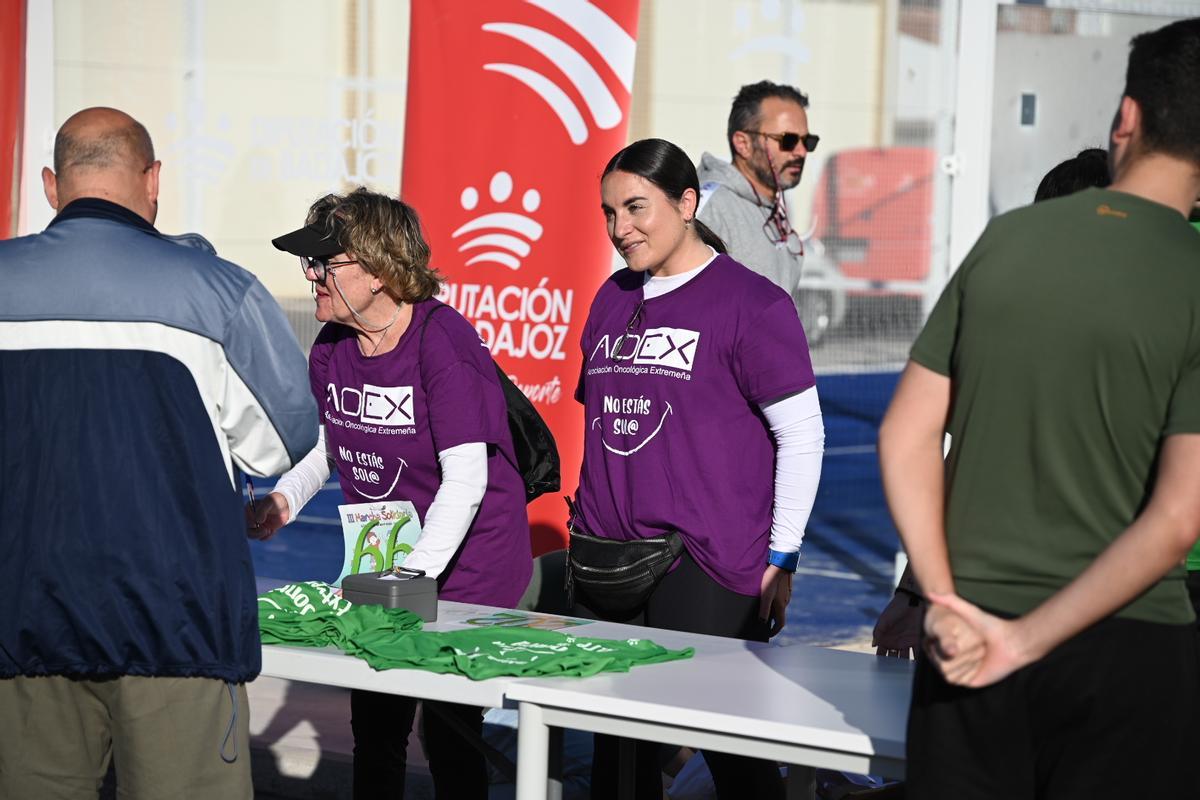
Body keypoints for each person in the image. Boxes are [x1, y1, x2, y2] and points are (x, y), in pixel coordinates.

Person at [878, 18, 1200, 799]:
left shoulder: (1008, 239)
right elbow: (1177, 521)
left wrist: (943, 600)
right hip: (1131, 648)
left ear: (1126, 118)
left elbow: (907, 431)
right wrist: (1026, 641)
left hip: (968, 629)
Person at [0, 107, 317, 799]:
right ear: (154, 180)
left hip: (18, 626)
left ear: (52, 185)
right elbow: (280, 443)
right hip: (176, 629)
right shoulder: (218, 293)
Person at [256, 188, 533, 799]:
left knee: (448, 730)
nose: (310, 275)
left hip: (465, 563)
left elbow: (466, 482)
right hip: (387, 563)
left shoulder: (444, 344)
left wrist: (410, 577)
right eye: (309, 261)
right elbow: (333, 440)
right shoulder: (332, 343)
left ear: (379, 271)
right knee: (376, 727)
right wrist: (285, 498)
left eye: (325, 263)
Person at [571, 138, 825, 799]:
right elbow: (601, 421)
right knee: (617, 748)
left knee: (726, 742)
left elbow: (801, 435)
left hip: (708, 564)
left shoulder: (753, 305)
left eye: (635, 208)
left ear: (686, 203)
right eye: (608, 212)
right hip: (611, 557)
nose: (619, 228)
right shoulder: (609, 298)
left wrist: (784, 555)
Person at [871, 145, 1113, 659]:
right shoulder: (1004, 312)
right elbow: (946, 446)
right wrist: (916, 591)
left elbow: (924, 443)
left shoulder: (996, 304)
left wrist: (918, 591)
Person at [696, 80, 829, 338]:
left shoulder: (771, 209)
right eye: (788, 140)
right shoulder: (709, 207)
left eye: (808, 141)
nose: (801, 152)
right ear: (743, 143)